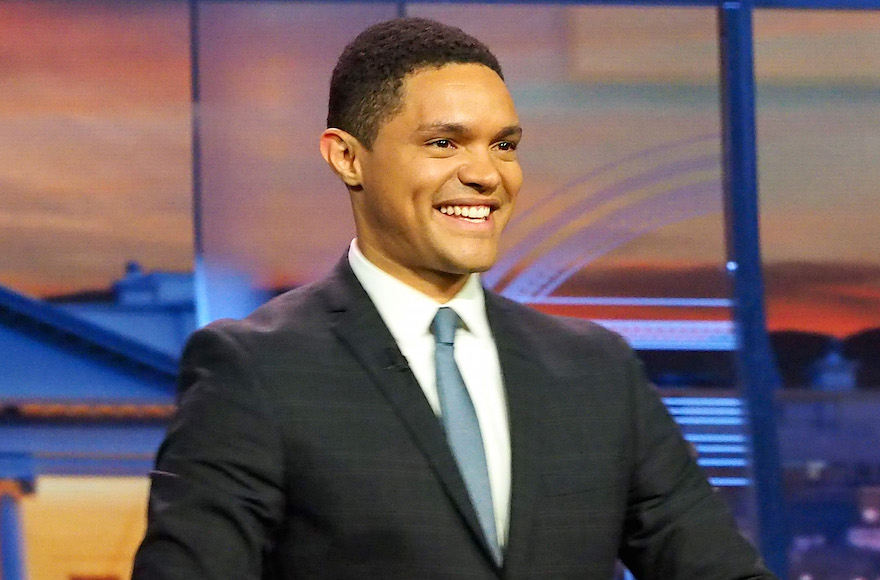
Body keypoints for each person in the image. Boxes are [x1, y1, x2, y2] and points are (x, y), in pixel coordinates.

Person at [132, 17, 777, 579]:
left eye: (504, 145)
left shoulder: (597, 372)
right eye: (445, 142)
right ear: (347, 158)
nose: (487, 174)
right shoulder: (254, 371)